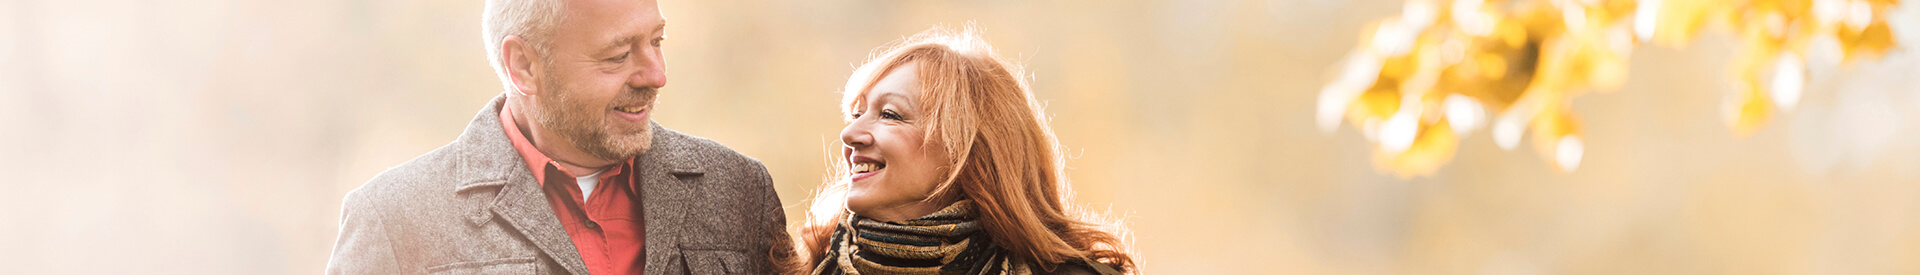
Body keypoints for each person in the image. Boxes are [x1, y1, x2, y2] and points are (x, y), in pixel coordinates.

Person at [326, 0, 785, 274]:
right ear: (523, 65)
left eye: (657, 41)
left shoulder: (741, 190)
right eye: (618, 54)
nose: (656, 75)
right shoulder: (393, 218)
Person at [779, 26, 1137, 275]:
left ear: (968, 151)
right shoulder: (806, 266)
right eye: (856, 114)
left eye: (889, 114)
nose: (851, 133)